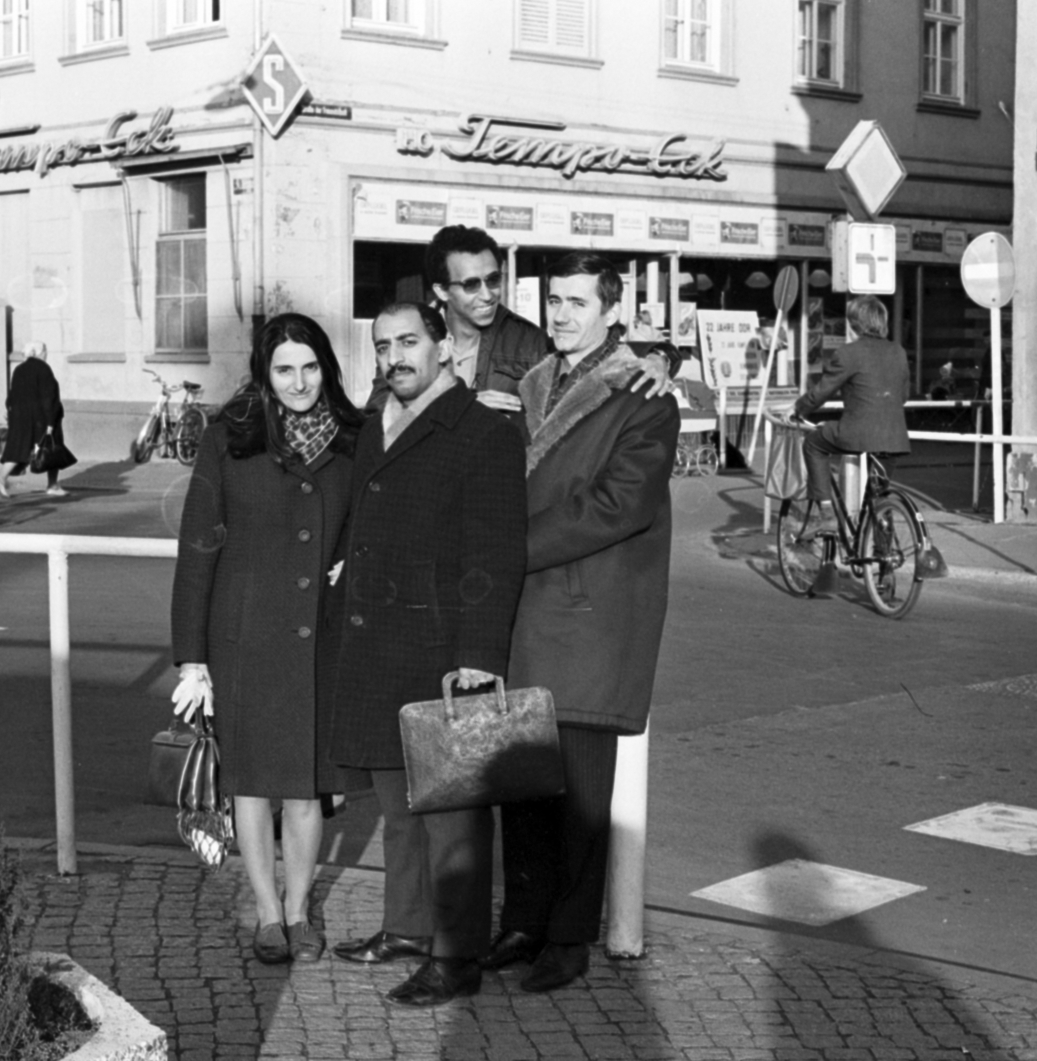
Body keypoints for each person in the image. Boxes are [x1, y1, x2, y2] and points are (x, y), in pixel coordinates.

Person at [484, 252, 680, 994]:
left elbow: (618, 505)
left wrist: (511, 549)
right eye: (553, 301)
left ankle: (569, 936)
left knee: (582, 794)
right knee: (524, 786)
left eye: (575, 302)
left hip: (587, 616)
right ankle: (525, 921)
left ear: (610, 310)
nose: (561, 314)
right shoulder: (533, 383)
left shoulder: (642, 394)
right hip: (528, 612)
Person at [322, 301, 526, 1007]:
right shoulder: (376, 420)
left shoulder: (481, 430)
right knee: (397, 809)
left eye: (409, 341)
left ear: (444, 345)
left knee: (452, 819)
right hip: (377, 644)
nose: (395, 357)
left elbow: (496, 549)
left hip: (442, 651)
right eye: (383, 346)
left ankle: (456, 954)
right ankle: (406, 928)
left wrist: (479, 650)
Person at [169, 313, 363, 966]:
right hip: (244, 632)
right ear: (265, 371)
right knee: (250, 782)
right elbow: (198, 544)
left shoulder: (355, 436)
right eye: (285, 368)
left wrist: (353, 560)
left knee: (306, 784)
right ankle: (267, 911)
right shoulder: (231, 435)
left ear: (325, 368)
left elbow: (374, 521)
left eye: (310, 366)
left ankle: (302, 909)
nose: (299, 381)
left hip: (319, 638)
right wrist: (191, 656)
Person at [366, 225, 675, 418]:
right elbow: (379, 405)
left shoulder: (529, 341)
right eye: (472, 284)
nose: (488, 294)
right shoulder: (412, 335)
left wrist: (660, 357)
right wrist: (460, 404)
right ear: (442, 290)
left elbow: (601, 354)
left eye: (493, 279)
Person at [791, 294, 911, 528]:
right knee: (878, 497)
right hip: (894, 437)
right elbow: (903, 396)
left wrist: (797, 408)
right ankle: (883, 554)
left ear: (855, 323)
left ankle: (826, 513)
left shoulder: (848, 353)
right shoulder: (898, 351)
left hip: (857, 433)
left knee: (814, 443)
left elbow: (821, 392)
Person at [0, 341, 73, 498]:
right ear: (39, 353)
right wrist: (50, 422)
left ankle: (1, 478)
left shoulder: (19, 369)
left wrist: (9, 411)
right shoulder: (43, 368)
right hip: (41, 417)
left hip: (20, 416)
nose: (46, 355)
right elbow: (49, 397)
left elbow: (12, 395)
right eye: (45, 351)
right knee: (52, 447)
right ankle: (52, 485)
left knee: (19, 448)